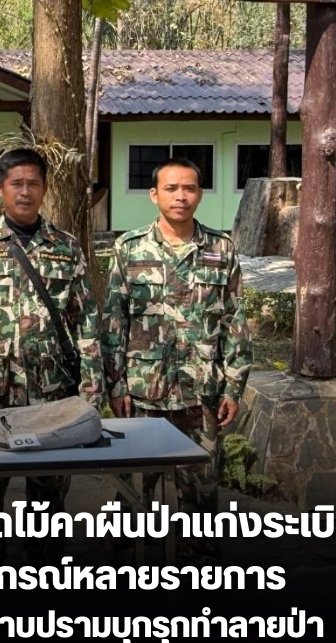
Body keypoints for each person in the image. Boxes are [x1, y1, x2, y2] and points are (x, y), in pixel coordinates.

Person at [0, 147, 104, 564]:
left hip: (51, 395)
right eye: (16, 183)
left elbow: (86, 322)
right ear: (0, 189)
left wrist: (91, 390)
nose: (25, 192)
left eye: (33, 184)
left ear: (44, 189)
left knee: (48, 498)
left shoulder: (66, 247)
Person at [102, 157, 252, 559]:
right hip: (143, 393)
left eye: (189, 188)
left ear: (200, 194)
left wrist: (233, 387)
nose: (180, 196)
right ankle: (125, 565)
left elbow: (235, 321)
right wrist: (116, 385)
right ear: (154, 195)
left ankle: (196, 566)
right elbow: (114, 321)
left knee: (201, 490)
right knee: (134, 488)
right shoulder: (129, 248)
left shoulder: (221, 248)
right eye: (171, 188)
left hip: (199, 393)